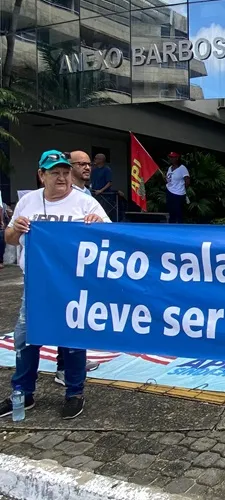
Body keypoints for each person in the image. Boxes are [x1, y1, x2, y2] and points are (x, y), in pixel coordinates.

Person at [1, 150, 109, 420]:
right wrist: (15, 230)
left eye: (64, 172)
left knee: (72, 337)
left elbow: (110, 238)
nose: (61, 177)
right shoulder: (28, 202)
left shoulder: (85, 203)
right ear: (41, 175)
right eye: (54, 172)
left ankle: (74, 392)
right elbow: (11, 239)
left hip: (73, 283)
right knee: (25, 338)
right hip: (37, 284)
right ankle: (22, 394)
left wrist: (97, 226)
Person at [55, 151, 101, 381]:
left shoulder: (85, 194)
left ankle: (74, 362)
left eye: (88, 164)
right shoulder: (61, 195)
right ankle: (64, 367)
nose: (86, 167)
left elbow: (105, 229)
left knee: (76, 316)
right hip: (58, 270)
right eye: (80, 164)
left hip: (81, 267)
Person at [166, 152, 190, 224]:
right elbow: (169, 179)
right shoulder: (170, 168)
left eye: (173, 157)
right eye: (170, 157)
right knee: (171, 212)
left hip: (179, 193)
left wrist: (182, 188)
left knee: (179, 212)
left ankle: (180, 227)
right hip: (170, 191)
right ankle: (171, 227)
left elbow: (187, 181)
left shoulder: (182, 168)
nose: (171, 159)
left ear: (177, 158)